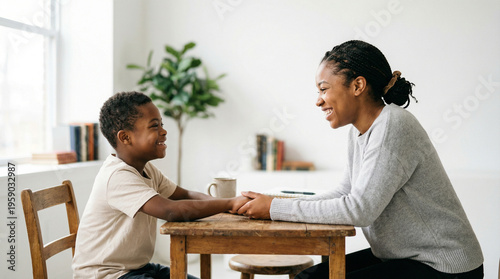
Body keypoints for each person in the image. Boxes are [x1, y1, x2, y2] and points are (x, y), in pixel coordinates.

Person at [237, 40, 484, 278]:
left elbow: (359, 210)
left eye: (324, 89)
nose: (318, 100)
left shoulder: (392, 124)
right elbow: (345, 192)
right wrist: (275, 203)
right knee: (310, 277)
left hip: (444, 267)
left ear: (357, 86)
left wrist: (275, 208)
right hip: (405, 258)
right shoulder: (359, 132)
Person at [72, 91, 249, 279]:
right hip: (107, 275)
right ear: (125, 137)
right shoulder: (117, 176)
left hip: (137, 269)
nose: (163, 131)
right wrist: (230, 203)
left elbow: (186, 195)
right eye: (154, 126)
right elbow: (170, 211)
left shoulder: (146, 169)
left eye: (161, 124)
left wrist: (228, 205)